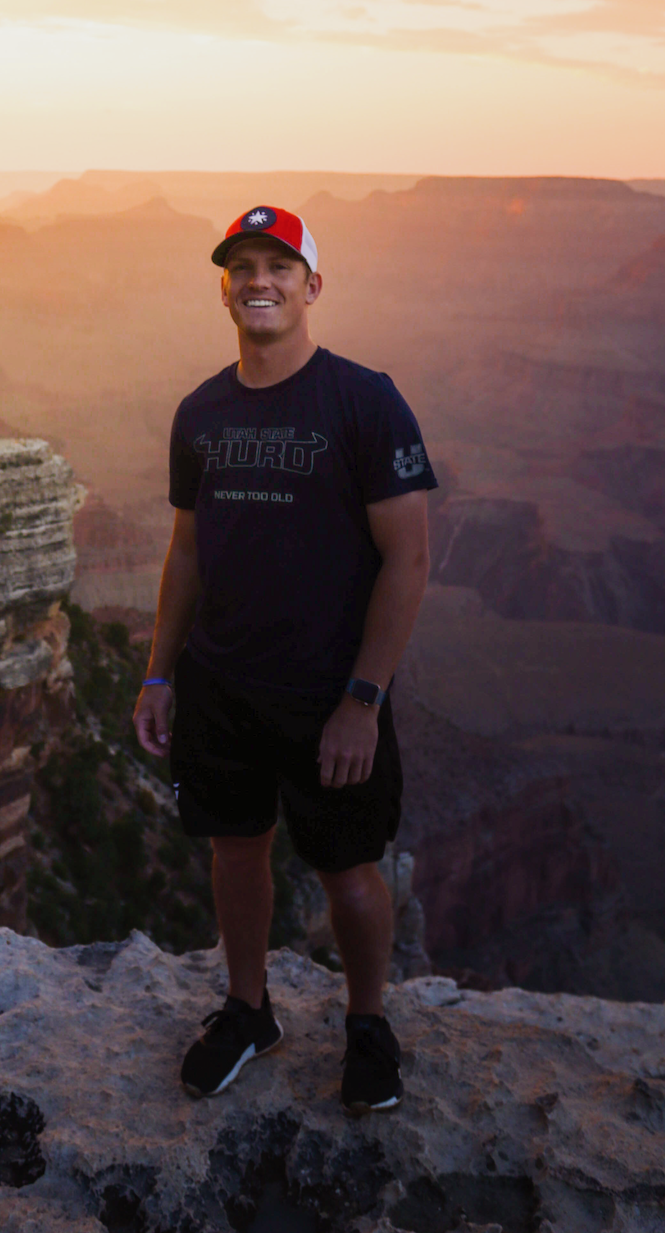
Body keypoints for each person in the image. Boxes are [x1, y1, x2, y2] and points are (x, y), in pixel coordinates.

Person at [132, 204, 436, 1115]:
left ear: (312, 285)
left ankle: (367, 1022)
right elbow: (186, 551)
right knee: (235, 850)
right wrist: (157, 670)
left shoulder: (363, 399)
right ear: (224, 287)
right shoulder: (201, 412)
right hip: (221, 683)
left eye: (277, 264)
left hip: (327, 692)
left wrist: (363, 699)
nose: (257, 280)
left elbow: (410, 557)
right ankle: (248, 1007)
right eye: (242, 266)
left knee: (347, 868)